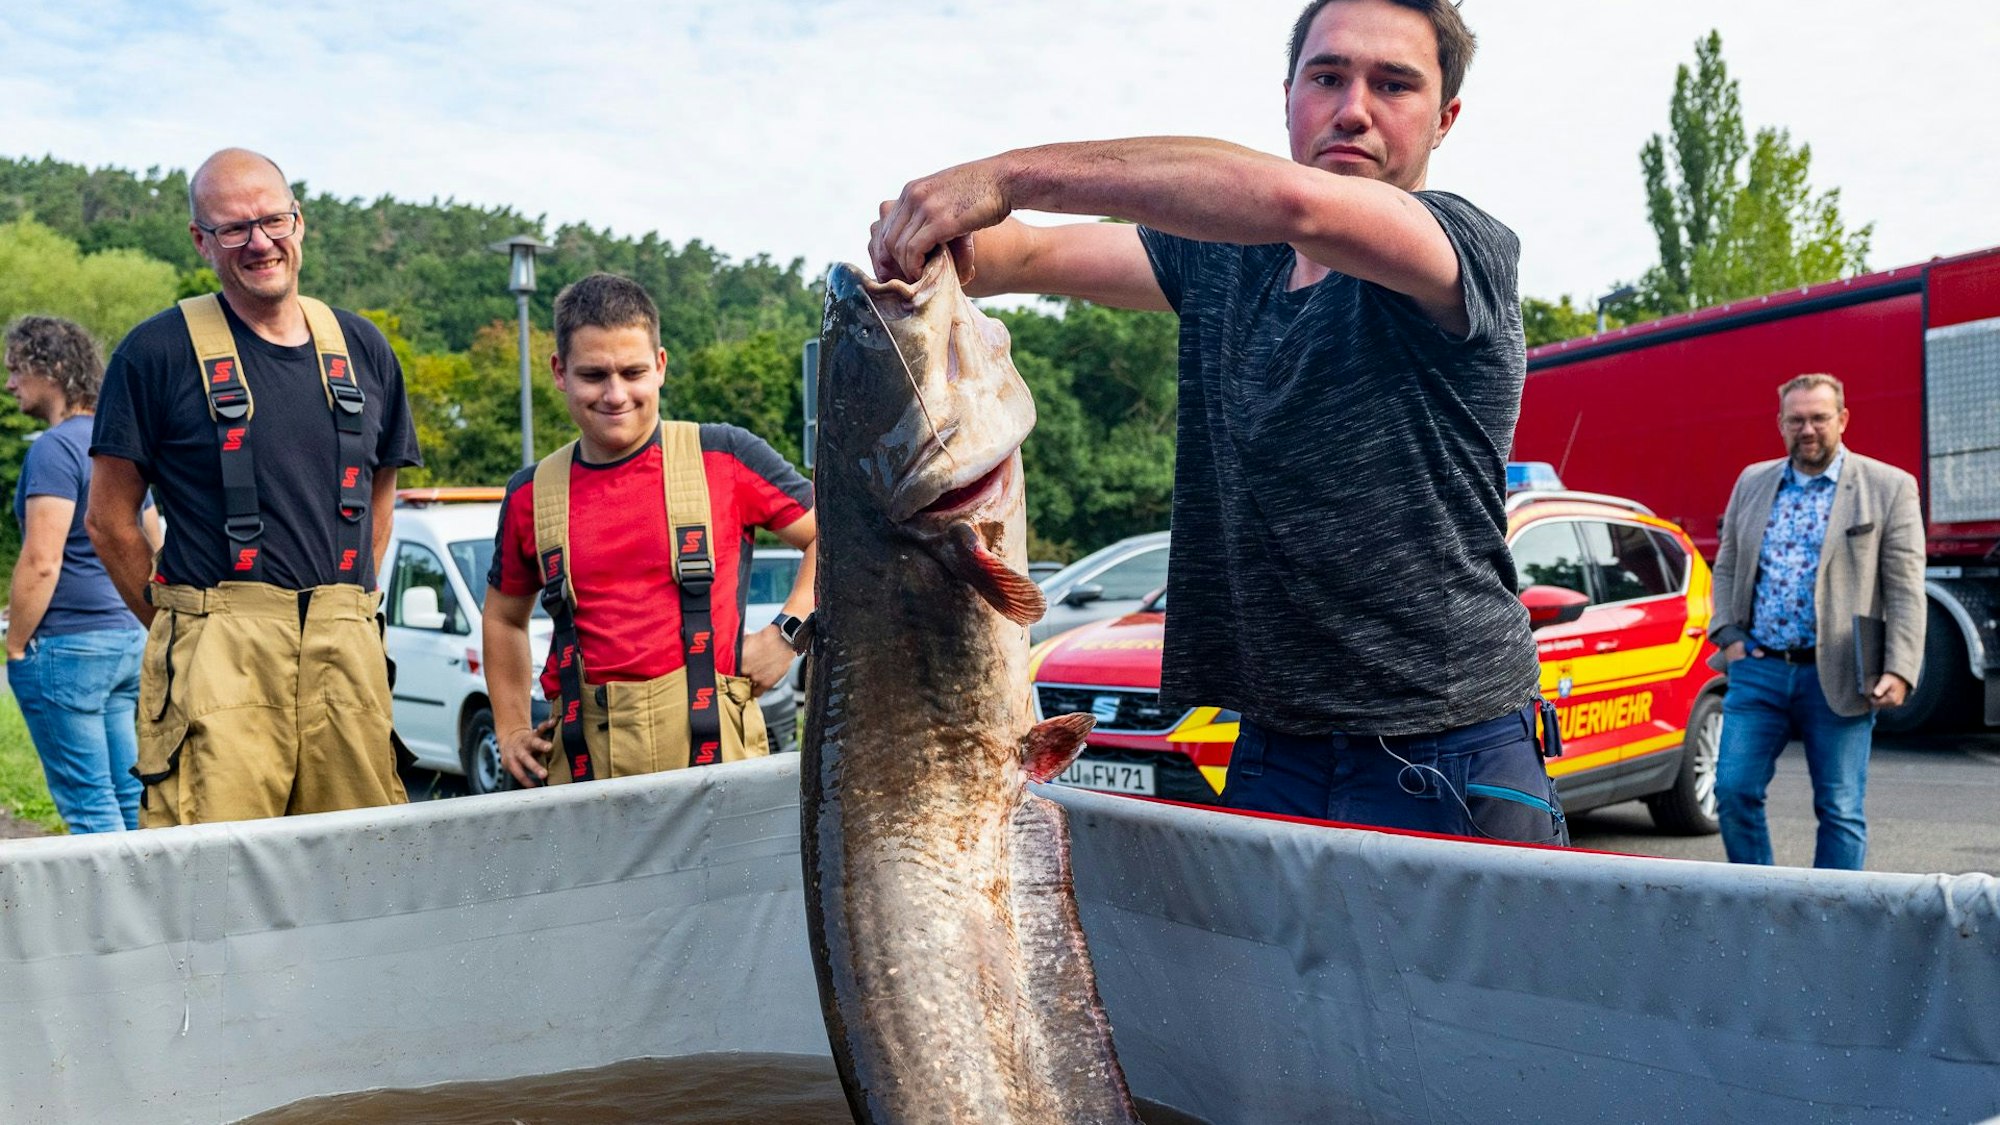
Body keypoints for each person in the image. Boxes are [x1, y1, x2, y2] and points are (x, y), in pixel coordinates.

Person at [869, 0, 1564, 842]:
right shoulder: (1227, 261)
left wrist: (1007, 174)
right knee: (1267, 983)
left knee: (1466, 983)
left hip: (1449, 748)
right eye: (1328, 76)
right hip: (1272, 743)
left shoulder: (1464, 248)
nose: (1353, 107)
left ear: (1445, 117)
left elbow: (1293, 205)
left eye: (1394, 84)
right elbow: (1035, 254)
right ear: (1288, 94)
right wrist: (937, 242)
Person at [86, 148, 422, 826]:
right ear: (201, 241)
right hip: (218, 653)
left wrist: (347, 602)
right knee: (215, 880)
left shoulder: (363, 347)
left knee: (362, 867)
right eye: (233, 227)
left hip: (345, 646)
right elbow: (109, 520)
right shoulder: (156, 353)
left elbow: (379, 496)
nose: (259, 241)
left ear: (300, 222)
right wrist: (181, 625)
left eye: (272, 220)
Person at [484, 272, 816, 787]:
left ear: (660, 366)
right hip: (579, 769)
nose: (616, 394)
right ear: (559, 372)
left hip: (717, 763)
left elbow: (836, 535)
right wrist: (509, 728)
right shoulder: (532, 492)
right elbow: (504, 618)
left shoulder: (723, 455)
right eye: (594, 375)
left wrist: (789, 633)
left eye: (633, 371)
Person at [1708, 373, 1925, 870]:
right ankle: (1759, 901)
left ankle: (1833, 924)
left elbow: (1906, 588)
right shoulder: (1753, 481)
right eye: (1796, 419)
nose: (1808, 429)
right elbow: (1728, 564)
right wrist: (1729, 636)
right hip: (1758, 666)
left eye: (1819, 418)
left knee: (1840, 809)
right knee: (1733, 791)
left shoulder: (1888, 487)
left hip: (1842, 672)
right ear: (1781, 423)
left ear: (1842, 419)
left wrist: (1899, 669)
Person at [4, 317, 161, 833]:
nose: (9, 385)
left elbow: (42, 560)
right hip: (125, 640)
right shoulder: (118, 441)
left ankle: (112, 916)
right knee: (127, 795)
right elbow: (154, 538)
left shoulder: (53, 448)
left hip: (68, 647)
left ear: (47, 368)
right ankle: (149, 911)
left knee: (89, 808)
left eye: (14, 370)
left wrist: (17, 646)